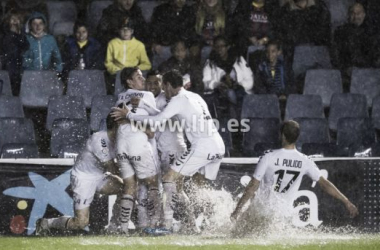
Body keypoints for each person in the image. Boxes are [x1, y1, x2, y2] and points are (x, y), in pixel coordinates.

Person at [111, 69, 226, 234]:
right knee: (197, 188)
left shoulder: (177, 100)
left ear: (169, 85)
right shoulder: (195, 97)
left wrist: (129, 115)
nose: (162, 90)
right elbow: (168, 117)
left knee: (168, 179)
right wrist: (143, 105)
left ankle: (167, 225)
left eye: (163, 85)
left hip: (199, 146)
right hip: (217, 145)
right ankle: (219, 214)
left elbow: (158, 120)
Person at [230, 120, 359, 232]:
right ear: (297, 137)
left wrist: (237, 210)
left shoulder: (268, 156)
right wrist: (346, 201)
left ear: (282, 136)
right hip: (282, 217)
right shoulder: (305, 161)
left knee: (238, 236)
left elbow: (253, 185)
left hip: (262, 212)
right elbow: (325, 184)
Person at [35, 114, 123, 235]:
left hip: (100, 177)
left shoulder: (120, 140)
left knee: (127, 189)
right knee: (80, 223)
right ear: (117, 126)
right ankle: (46, 223)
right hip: (83, 178)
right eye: (125, 124)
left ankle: (114, 227)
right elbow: (112, 168)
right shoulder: (99, 139)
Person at [114, 67, 162, 234]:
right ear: (129, 81)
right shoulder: (147, 95)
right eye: (139, 77)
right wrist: (145, 128)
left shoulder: (120, 97)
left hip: (120, 144)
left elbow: (119, 121)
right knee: (152, 184)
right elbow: (153, 128)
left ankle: (123, 228)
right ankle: (155, 224)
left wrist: (131, 120)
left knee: (129, 186)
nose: (143, 80)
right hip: (137, 144)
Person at [203, 36, 253, 119]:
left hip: (240, 92)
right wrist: (217, 84)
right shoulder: (210, 62)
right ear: (214, 48)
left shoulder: (239, 60)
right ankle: (238, 123)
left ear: (227, 47)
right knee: (230, 94)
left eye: (222, 46)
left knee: (235, 97)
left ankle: (238, 122)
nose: (220, 49)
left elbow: (250, 80)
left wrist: (237, 84)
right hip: (220, 94)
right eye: (217, 46)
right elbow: (205, 82)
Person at [332, 3, 376, 91]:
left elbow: (373, 56)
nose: (355, 17)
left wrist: (363, 70)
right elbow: (337, 55)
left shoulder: (371, 33)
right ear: (348, 15)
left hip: (367, 72)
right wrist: (346, 69)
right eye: (353, 13)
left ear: (364, 15)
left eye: (358, 13)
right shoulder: (340, 32)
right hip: (346, 72)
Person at [0, 10, 29, 96]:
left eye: (17, 19)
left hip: (17, 67)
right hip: (7, 66)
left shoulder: (21, 35)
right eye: (13, 19)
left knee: (16, 91)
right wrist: (13, 33)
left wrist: (20, 33)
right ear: (8, 21)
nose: (15, 21)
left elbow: (26, 46)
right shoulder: (4, 35)